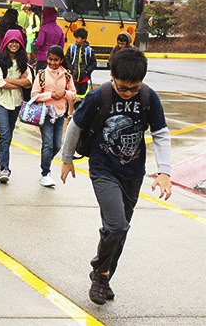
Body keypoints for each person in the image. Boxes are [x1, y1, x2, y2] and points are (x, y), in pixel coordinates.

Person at [60, 48, 172, 305]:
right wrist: (66, 160)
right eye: (123, 88)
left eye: (134, 88)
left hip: (133, 173)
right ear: (111, 75)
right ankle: (100, 273)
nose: (129, 93)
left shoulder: (148, 97)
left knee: (120, 230)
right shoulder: (99, 96)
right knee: (116, 225)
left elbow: (161, 134)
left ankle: (104, 277)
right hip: (103, 169)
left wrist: (165, 171)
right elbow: (76, 126)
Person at [0, 29, 32, 183]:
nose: (14, 45)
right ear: (6, 43)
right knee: (5, 134)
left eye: (17, 42)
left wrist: (10, 81)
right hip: (0, 101)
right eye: (11, 42)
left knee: (9, 135)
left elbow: (29, 82)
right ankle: (4, 168)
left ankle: (3, 160)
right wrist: (19, 82)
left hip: (16, 102)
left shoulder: (23, 62)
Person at [31, 45, 76, 187]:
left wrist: (64, 94)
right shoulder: (41, 74)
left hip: (60, 113)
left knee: (56, 145)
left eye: (56, 60)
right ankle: (45, 173)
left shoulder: (67, 75)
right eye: (50, 59)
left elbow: (73, 93)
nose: (52, 63)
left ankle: (45, 162)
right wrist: (50, 95)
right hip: (45, 113)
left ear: (61, 60)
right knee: (48, 143)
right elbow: (34, 95)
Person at [65, 28, 97, 102]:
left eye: (78, 38)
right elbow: (66, 59)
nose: (76, 39)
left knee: (84, 96)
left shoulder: (89, 50)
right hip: (73, 76)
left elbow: (93, 63)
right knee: (71, 95)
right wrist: (70, 69)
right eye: (75, 37)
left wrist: (87, 71)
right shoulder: (71, 48)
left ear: (84, 39)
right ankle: (71, 111)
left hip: (84, 78)